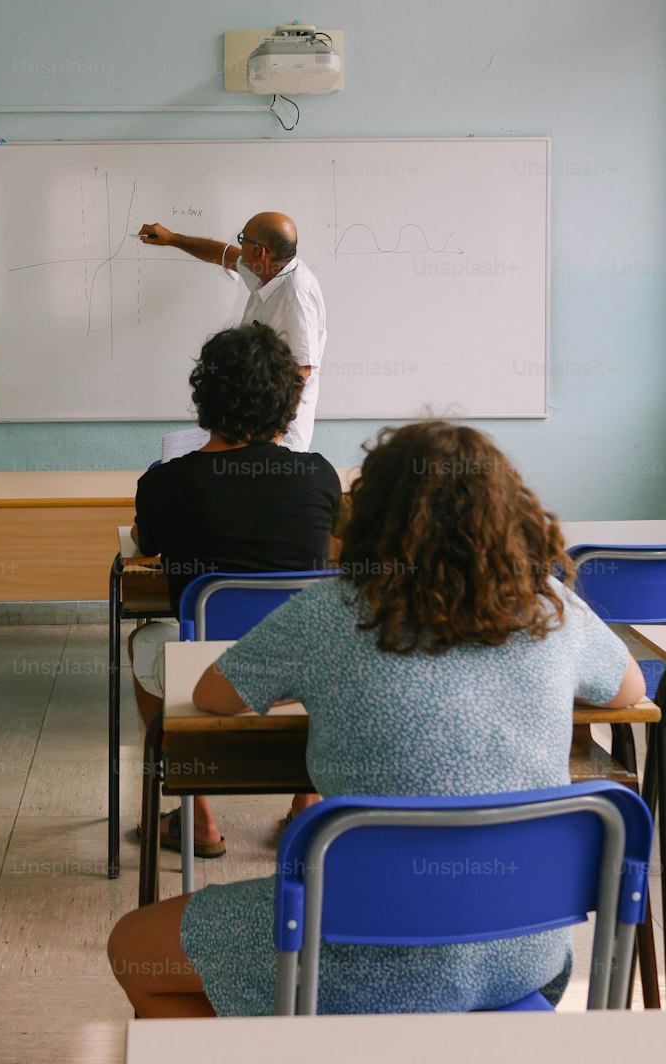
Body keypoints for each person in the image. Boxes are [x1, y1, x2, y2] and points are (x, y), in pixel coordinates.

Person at [109, 419, 645, 1018]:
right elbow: (630, 687)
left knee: (133, 950)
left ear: (370, 515)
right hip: (524, 953)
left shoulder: (329, 612)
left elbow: (211, 696)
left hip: (354, 951)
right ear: (510, 512)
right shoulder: (551, 607)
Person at [129, 322, 342, 857]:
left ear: (207, 398)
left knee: (143, 640)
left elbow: (143, 544)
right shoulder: (318, 476)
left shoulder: (166, 483)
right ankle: (306, 804)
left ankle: (198, 817)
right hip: (305, 672)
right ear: (287, 403)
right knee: (319, 629)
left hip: (207, 673)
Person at [137, 211, 325, 452]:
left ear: (260, 252)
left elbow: (302, 372)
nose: (239, 245)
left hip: (280, 436)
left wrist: (275, 434)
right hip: (250, 427)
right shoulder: (268, 269)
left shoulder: (297, 295)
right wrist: (172, 238)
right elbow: (222, 254)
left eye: (243, 239)